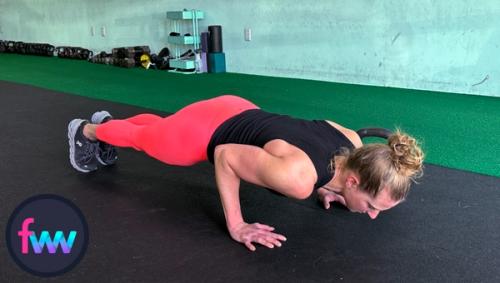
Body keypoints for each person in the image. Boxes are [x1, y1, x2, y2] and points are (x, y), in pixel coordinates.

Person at [67, 95, 424, 251]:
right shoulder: (299, 181)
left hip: (237, 107)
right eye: (373, 204)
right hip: (205, 135)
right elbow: (225, 156)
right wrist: (236, 225)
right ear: (353, 180)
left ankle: (109, 124)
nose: (373, 215)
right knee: (147, 139)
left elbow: (312, 152)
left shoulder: (350, 141)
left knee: (158, 130)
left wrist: (329, 190)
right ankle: (87, 131)